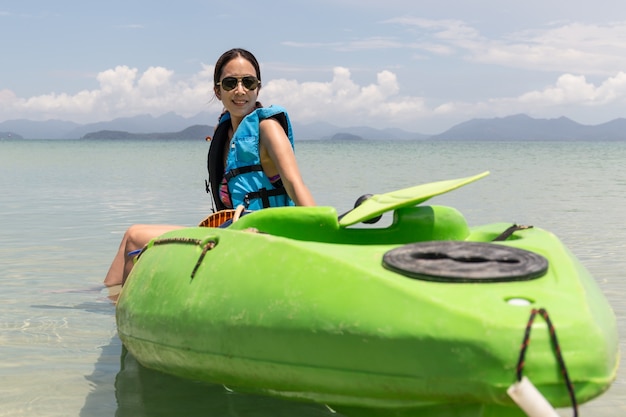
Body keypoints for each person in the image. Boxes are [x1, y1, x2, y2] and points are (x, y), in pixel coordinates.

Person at [104, 48, 315, 287]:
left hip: (263, 236)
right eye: (230, 83)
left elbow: (296, 185)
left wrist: (322, 236)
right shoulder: (224, 134)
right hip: (232, 233)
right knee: (129, 237)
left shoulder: (267, 129)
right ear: (217, 91)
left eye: (248, 82)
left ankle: (112, 308)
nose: (240, 90)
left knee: (135, 238)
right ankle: (98, 296)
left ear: (258, 87)